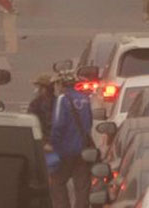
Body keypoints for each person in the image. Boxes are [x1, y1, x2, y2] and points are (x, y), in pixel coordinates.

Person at [48, 72, 94, 208]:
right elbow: (89, 122)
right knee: (82, 186)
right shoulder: (85, 99)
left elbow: (58, 124)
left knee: (57, 182)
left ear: (61, 84)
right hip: (83, 150)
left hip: (65, 150)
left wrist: (52, 144)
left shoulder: (63, 99)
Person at [27, 73, 56, 140]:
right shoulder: (59, 101)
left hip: (42, 140)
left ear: (44, 88)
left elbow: (31, 122)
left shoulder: (36, 103)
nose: (37, 89)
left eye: (38, 87)